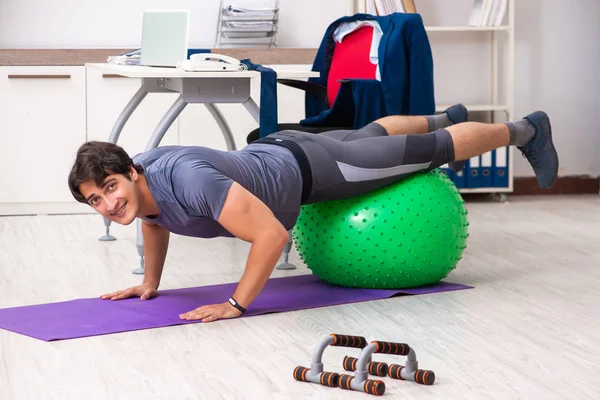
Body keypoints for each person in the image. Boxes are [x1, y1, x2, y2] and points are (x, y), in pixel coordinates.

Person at [68, 104, 558, 323]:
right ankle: (442, 113)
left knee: (429, 151)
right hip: (280, 150)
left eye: (110, 188)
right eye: (96, 200)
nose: (109, 205)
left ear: (132, 171)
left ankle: (526, 131)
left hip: (315, 172)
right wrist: (150, 283)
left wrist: (235, 305)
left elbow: (271, 237)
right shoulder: (142, 186)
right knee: (371, 135)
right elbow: (156, 222)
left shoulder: (188, 180)